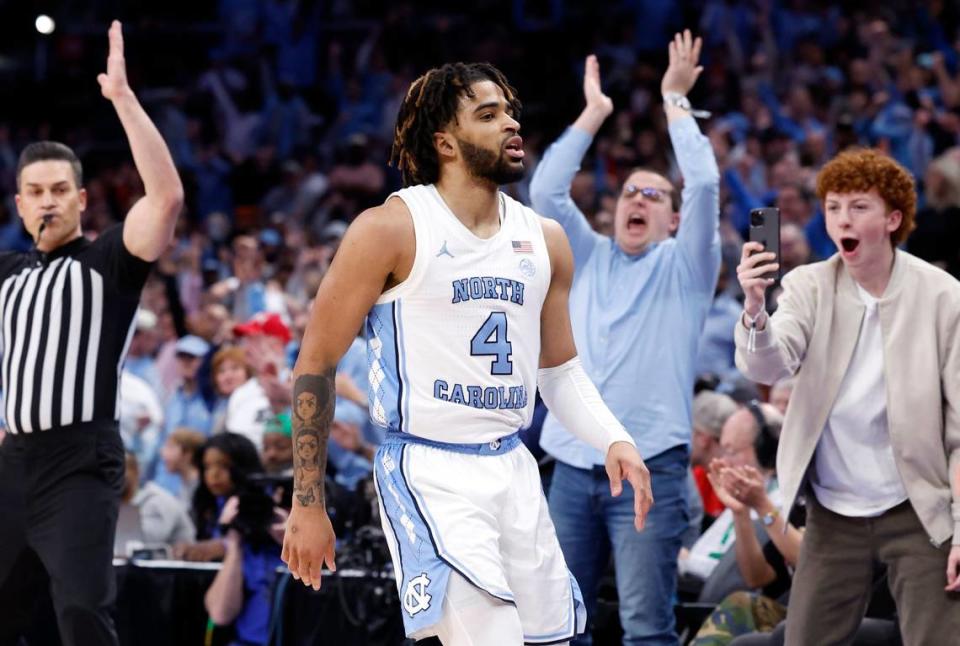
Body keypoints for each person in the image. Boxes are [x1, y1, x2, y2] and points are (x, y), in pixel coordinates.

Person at [281, 61, 652, 645]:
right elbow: (315, 366)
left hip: (514, 468)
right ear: (444, 142)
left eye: (510, 112)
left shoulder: (545, 239)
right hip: (429, 469)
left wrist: (614, 437)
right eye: (488, 115)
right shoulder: (391, 229)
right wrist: (308, 502)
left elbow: (558, 373)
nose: (510, 124)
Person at [529, 32, 720, 645]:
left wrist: (674, 101)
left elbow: (708, 185)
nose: (638, 199)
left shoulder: (688, 266)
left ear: (672, 218)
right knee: (559, 624)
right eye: (630, 192)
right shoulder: (584, 254)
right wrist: (594, 115)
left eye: (654, 195)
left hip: (650, 468)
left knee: (645, 627)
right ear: (614, 209)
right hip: (572, 470)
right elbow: (545, 193)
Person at [0, 21, 183, 646]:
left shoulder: (108, 261)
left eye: (58, 190)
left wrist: (124, 102)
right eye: (34, 192)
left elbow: (165, 199)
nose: (47, 202)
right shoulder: (7, 273)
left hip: (81, 460)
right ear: (18, 205)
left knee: (80, 611)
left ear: (81, 198)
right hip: (11, 460)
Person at [735, 148, 960, 645]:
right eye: (833, 207)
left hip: (919, 506)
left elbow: (959, 434)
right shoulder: (806, 286)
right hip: (833, 510)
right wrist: (755, 309)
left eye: (859, 207)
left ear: (893, 218)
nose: (842, 219)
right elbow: (769, 364)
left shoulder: (943, 296)